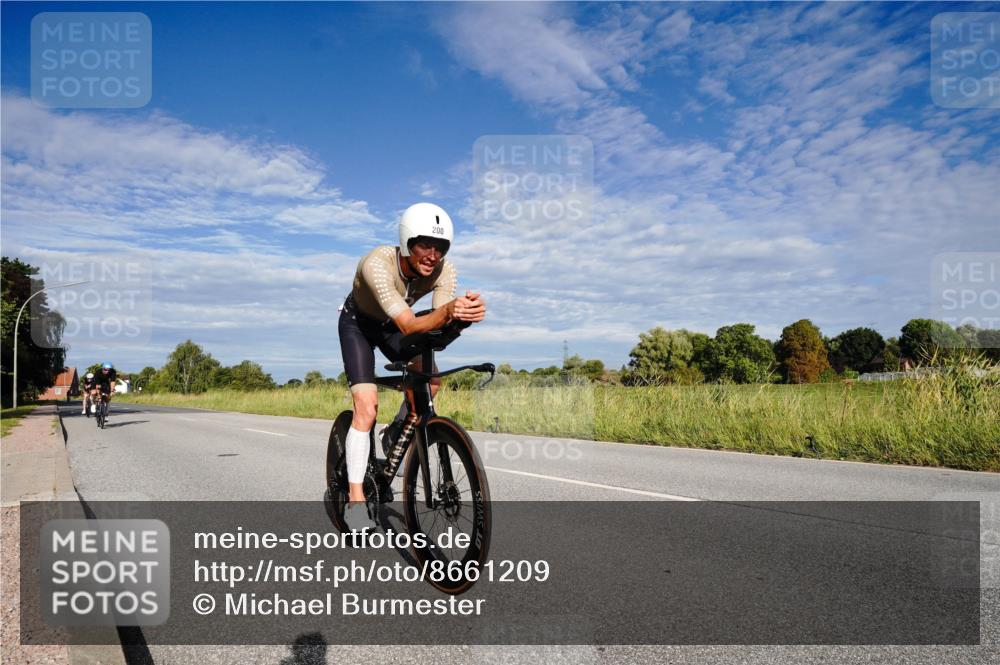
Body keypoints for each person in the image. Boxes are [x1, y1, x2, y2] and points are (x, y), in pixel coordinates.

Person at [338, 202, 486, 531]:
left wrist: (462, 319)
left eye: (441, 247)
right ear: (407, 242)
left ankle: (394, 437)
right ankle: (356, 500)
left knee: (430, 382)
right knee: (366, 406)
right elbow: (409, 324)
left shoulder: (445, 270)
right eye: (424, 245)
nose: (433, 255)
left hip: (392, 325)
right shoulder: (377, 264)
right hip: (358, 325)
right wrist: (449, 311)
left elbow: (434, 331)